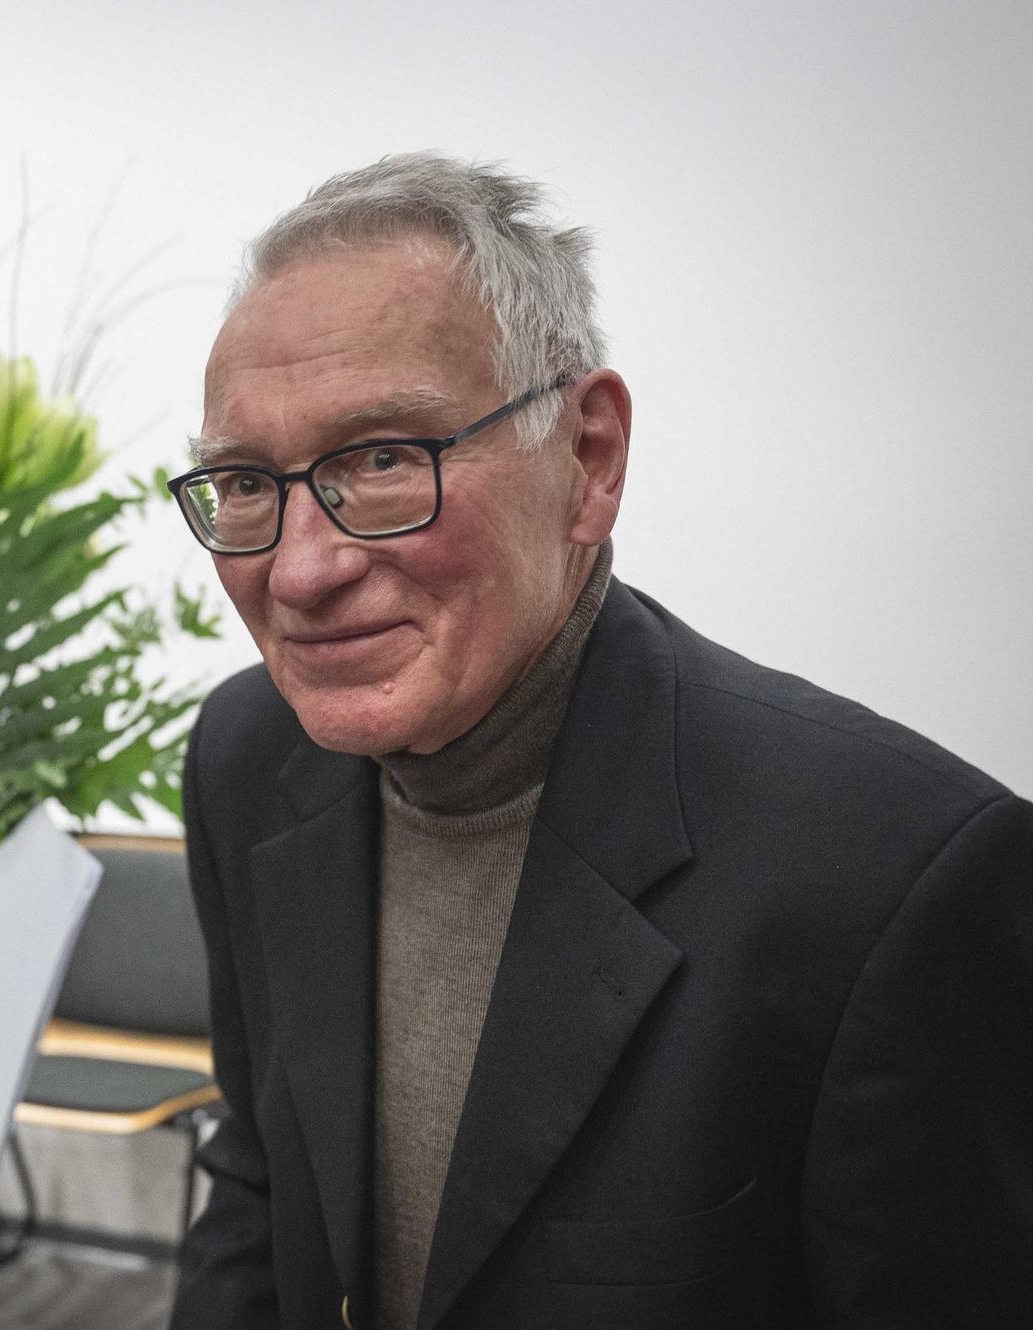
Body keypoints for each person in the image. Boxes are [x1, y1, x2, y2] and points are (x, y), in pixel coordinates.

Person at [165, 154, 1032, 1329]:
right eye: (242, 482)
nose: (299, 568)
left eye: (381, 458)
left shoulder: (888, 879)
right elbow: (265, 1176)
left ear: (587, 459)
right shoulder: (243, 756)